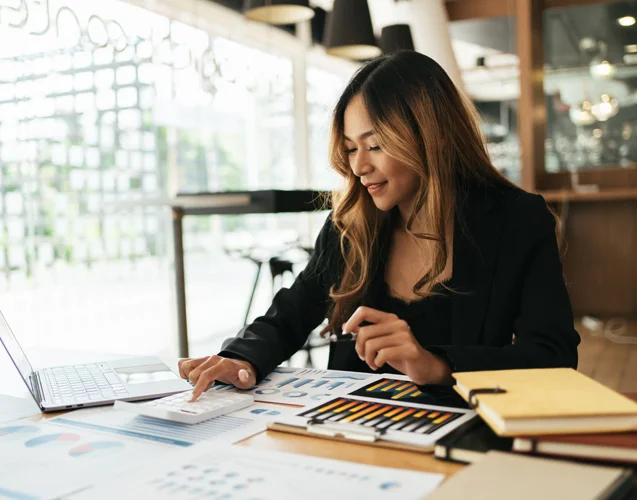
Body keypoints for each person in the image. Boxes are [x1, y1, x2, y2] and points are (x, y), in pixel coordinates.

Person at [179, 50, 580, 401]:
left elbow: (553, 356)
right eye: (351, 148)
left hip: (461, 432)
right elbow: (292, 313)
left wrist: (435, 365)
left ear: (431, 137)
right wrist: (239, 358)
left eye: (375, 145)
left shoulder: (516, 220)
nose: (359, 166)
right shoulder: (351, 224)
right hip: (347, 432)